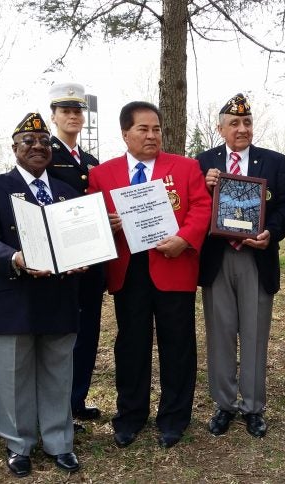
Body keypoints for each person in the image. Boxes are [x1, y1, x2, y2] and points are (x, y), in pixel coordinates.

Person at [88, 101, 211, 449]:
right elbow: (90, 218)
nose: (152, 135)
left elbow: (202, 206)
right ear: (125, 133)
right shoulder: (102, 174)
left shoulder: (186, 168)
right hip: (129, 271)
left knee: (178, 345)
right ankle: (130, 416)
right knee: (131, 345)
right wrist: (105, 225)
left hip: (173, 264)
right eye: (143, 129)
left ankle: (174, 418)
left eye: (156, 128)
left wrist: (184, 239)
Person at [0, 113, 82, 478]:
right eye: (28, 142)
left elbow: (80, 239)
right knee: (12, 374)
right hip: (15, 294)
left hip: (60, 295)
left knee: (57, 371)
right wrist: (15, 257)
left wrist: (84, 258)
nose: (38, 148)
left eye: (44, 143)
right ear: (14, 147)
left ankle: (59, 442)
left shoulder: (68, 192)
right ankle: (18, 445)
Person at [197, 93, 285, 438]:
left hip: (256, 257)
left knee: (254, 333)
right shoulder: (203, 162)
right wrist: (205, 190)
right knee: (220, 334)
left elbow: (284, 209)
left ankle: (253, 406)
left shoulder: (274, 161)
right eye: (234, 123)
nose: (242, 128)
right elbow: (193, 209)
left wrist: (271, 232)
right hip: (217, 259)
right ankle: (224, 404)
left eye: (247, 122)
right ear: (220, 128)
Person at [45, 82, 105, 427]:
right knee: (63, 334)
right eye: (66, 110)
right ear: (53, 116)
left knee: (87, 332)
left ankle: (76, 399)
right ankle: (58, 407)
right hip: (62, 262)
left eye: (78, 110)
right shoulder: (45, 155)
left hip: (92, 261)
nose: (73, 116)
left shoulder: (92, 161)